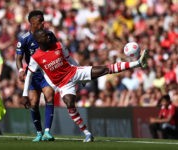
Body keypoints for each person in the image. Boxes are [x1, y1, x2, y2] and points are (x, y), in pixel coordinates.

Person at [23, 29, 149, 142]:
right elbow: (29, 75)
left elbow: (70, 59)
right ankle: (87, 134)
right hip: (63, 84)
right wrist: (25, 94)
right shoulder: (36, 57)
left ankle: (137, 63)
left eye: (48, 35)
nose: (49, 37)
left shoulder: (59, 46)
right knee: (69, 103)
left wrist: (80, 75)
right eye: (45, 36)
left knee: (104, 69)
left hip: (75, 72)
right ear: (39, 40)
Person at [16, 10, 60, 142]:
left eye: (43, 20)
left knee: (49, 97)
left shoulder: (49, 35)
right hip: (33, 75)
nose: (43, 22)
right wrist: (20, 71)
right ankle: (39, 132)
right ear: (32, 22)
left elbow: (58, 51)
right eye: (40, 20)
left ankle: (47, 131)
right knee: (33, 103)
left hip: (46, 73)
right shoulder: (24, 39)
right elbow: (18, 58)